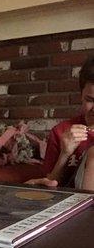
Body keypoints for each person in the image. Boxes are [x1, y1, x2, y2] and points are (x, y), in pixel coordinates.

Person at [28, 55, 94, 189]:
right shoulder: (60, 131)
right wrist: (65, 154)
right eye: (90, 100)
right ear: (80, 96)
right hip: (71, 200)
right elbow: (49, 184)